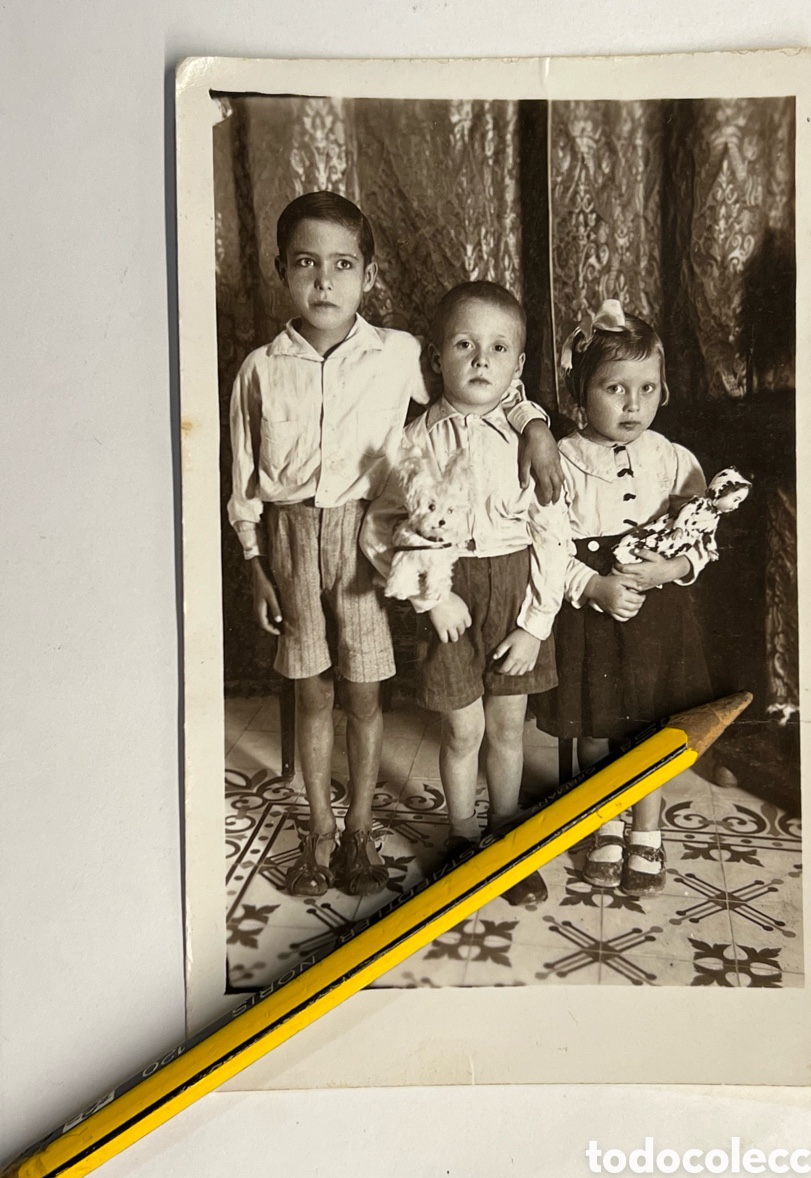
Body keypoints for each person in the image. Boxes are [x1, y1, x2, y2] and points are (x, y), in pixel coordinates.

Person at [228, 192, 561, 898]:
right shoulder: (259, 369)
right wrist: (255, 562)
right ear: (280, 269)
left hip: (365, 543)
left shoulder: (400, 353)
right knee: (313, 692)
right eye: (306, 264)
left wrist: (535, 424)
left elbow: (483, 383)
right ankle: (322, 832)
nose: (325, 281)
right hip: (291, 539)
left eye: (343, 265)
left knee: (364, 693)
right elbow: (244, 476)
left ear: (369, 275)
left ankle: (361, 833)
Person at [362, 282, 569, 906]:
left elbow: (552, 534)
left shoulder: (528, 442)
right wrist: (431, 596)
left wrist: (534, 625)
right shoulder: (414, 441)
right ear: (437, 357)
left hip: (515, 592)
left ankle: (506, 839)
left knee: (507, 729)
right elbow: (378, 530)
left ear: (518, 365)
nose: (481, 359)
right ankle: (460, 837)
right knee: (461, 731)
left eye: (498, 348)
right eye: (464, 345)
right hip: (451, 598)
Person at [533, 299, 713, 896]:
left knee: (651, 728)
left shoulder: (673, 459)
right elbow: (548, 547)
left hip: (659, 616)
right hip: (595, 613)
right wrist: (594, 586)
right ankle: (605, 821)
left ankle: (647, 830)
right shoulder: (562, 460)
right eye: (615, 388)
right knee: (596, 723)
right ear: (580, 395)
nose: (633, 404)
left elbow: (704, 536)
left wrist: (673, 567)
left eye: (647, 388)